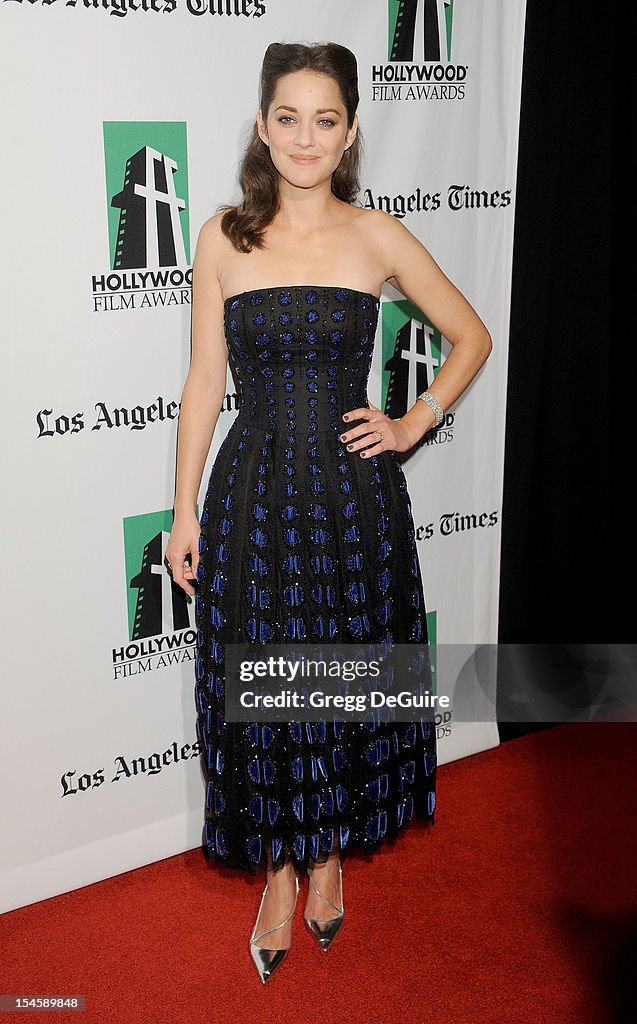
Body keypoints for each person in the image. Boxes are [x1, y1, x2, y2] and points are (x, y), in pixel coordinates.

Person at [166, 40, 492, 984]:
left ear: (349, 131)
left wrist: (414, 421)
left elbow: (470, 334)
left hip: (354, 502)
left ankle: (328, 855)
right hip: (252, 497)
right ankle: (278, 870)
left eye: (324, 119)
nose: (304, 137)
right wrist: (183, 513)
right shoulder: (223, 236)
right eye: (286, 117)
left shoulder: (377, 236)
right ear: (262, 127)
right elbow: (200, 383)